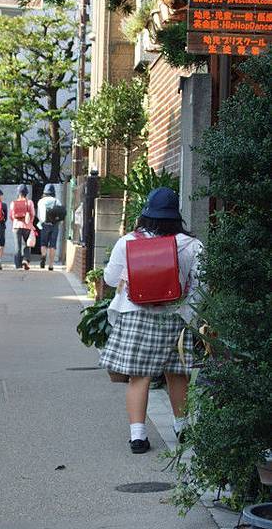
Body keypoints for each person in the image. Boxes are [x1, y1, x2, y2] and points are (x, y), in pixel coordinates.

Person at [99, 187, 203, 454]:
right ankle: (182, 428)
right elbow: (203, 284)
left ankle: (138, 437)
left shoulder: (127, 241)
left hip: (136, 316)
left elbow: (110, 280)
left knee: (139, 377)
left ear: (147, 213)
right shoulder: (192, 245)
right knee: (177, 375)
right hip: (176, 318)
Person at [37, 183, 62, 271]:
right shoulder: (57, 201)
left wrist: (41, 222)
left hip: (45, 225)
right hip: (55, 225)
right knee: (53, 245)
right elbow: (60, 214)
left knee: (43, 243)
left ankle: (43, 255)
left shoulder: (41, 201)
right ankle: (51, 265)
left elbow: (39, 215)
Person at [9, 184, 35, 270]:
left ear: (18, 193)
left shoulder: (13, 203)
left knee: (18, 246)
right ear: (26, 193)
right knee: (27, 244)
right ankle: (25, 260)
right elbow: (33, 214)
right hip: (27, 226)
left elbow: (11, 216)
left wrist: (16, 221)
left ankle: (17, 265)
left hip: (16, 226)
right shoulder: (29, 202)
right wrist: (29, 222)